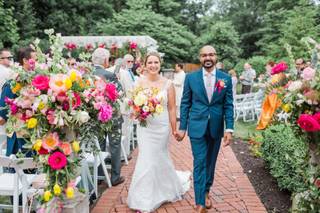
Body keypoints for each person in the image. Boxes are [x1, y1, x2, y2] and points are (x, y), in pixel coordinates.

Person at [127, 52, 191, 212]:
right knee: (146, 158)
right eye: (150, 62)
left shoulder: (168, 84)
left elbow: (171, 108)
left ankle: (163, 190)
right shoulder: (139, 82)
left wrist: (174, 128)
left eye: (156, 62)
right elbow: (133, 104)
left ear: (160, 64)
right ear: (146, 65)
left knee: (159, 157)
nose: (153, 65)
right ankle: (143, 198)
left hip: (161, 127)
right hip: (145, 127)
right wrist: (136, 111)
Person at [175, 45, 234, 213]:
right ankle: (200, 200)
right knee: (199, 162)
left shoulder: (225, 79)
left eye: (211, 55)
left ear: (216, 57)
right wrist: (182, 127)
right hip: (196, 127)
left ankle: (207, 189)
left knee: (210, 162)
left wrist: (229, 129)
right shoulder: (191, 78)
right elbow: (186, 103)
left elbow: (228, 105)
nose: (207, 58)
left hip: (216, 127)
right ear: (199, 58)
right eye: (204, 55)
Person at [91, 48, 125, 186]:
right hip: (112, 117)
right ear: (105, 60)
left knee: (99, 146)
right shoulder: (109, 75)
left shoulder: (86, 76)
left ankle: (99, 175)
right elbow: (120, 94)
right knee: (115, 145)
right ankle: (115, 177)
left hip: (95, 117)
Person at [0, 47, 37, 157]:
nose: (37, 62)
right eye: (35, 59)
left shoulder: (36, 79)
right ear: (25, 61)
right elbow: (3, 111)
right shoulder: (14, 80)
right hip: (19, 135)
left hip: (34, 133)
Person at [118, 54, 136, 157]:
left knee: (126, 130)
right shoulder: (124, 73)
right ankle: (123, 154)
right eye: (128, 61)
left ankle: (124, 153)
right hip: (125, 105)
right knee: (124, 131)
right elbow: (129, 91)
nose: (130, 63)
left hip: (125, 105)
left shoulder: (130, 73)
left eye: (132, 62)